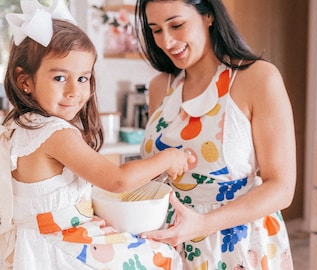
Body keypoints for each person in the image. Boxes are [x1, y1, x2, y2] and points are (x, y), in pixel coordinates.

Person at [0, 0, 194, 269]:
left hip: (35, 244)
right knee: (161, 257)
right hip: (56, 250)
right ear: (25, 82)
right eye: (59, 78)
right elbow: (116, 180)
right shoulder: (55, 133)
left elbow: (45, 205)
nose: (74, 91)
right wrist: (169, 158)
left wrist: (81, 216)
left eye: (82, 78)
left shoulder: (19, 125)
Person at [135, 0, 297, 269]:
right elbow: (157, 176)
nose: (167, 41)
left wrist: (202, 225)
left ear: (208, 15)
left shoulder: (258, 78)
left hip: (237, 245)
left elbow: (281, 188)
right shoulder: (161, 87)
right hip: (172, 242)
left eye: (177, 25)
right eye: (156, 30)